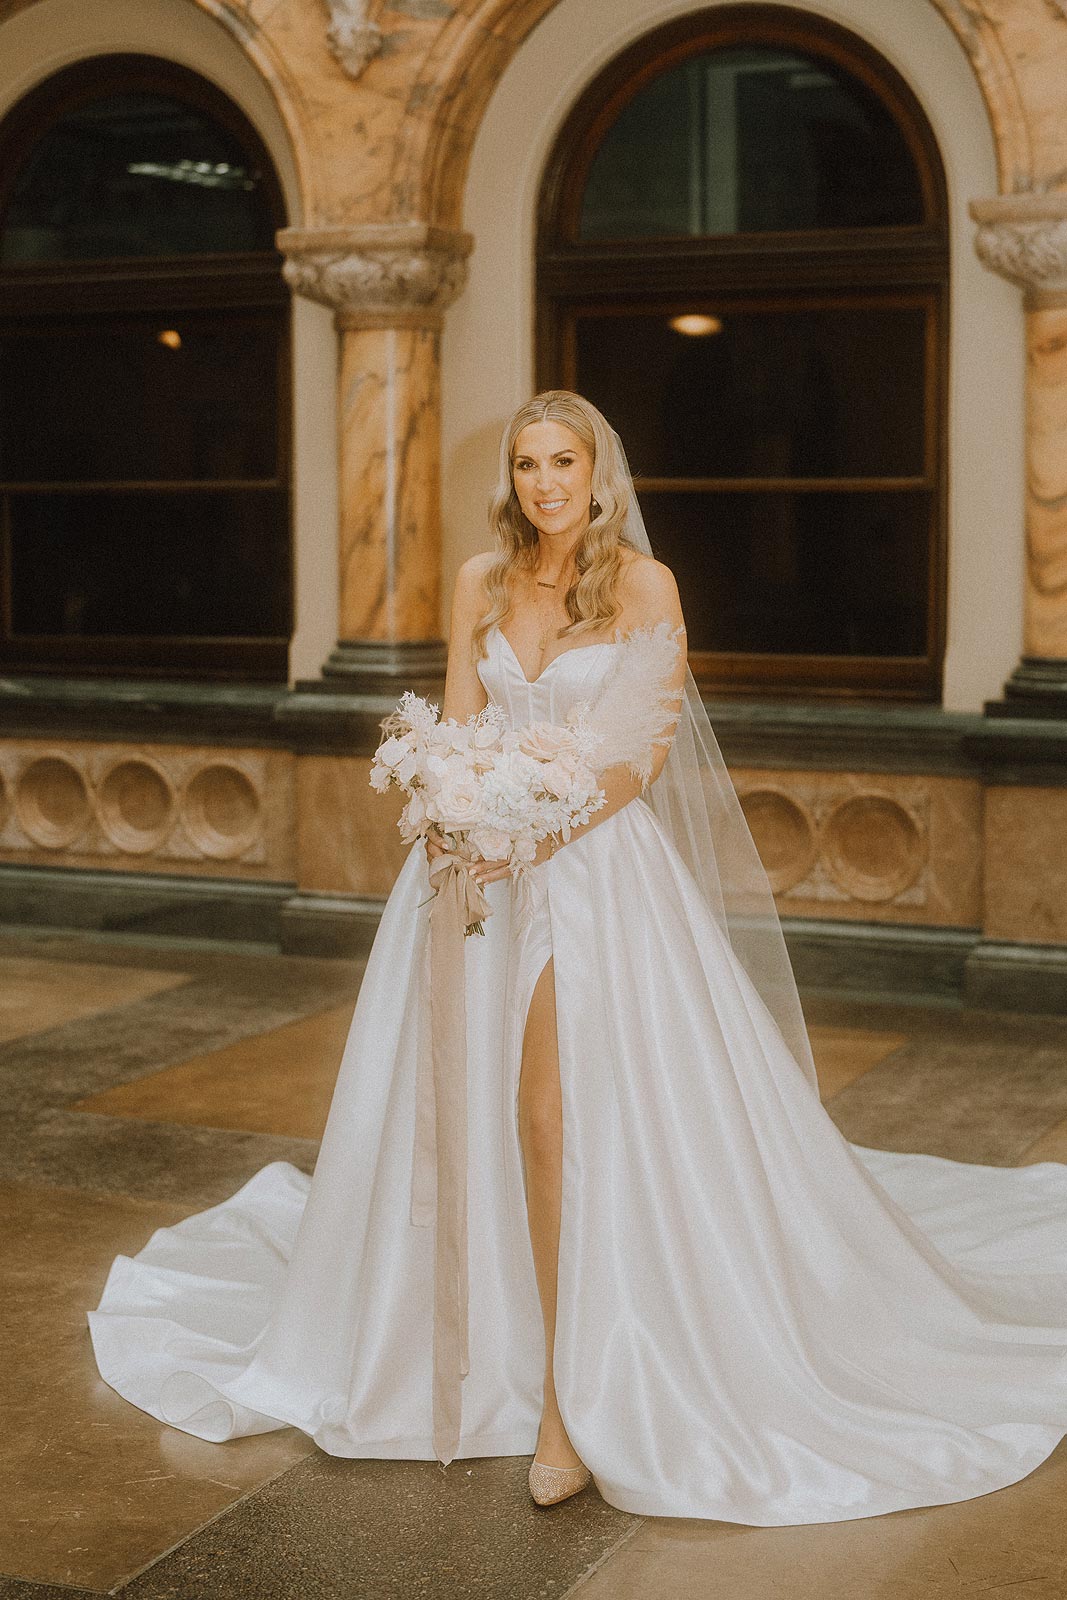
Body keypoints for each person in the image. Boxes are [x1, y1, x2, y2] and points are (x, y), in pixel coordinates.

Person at [91, 392, 1067, 1524]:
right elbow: (454, 732)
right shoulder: (477, 581)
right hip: (472, 875)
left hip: (592, 871)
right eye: (526, 463)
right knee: (457, 1109)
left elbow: (645, 755)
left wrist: (541, 829)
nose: (545, 481)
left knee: (545, 1113)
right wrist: (451, 806)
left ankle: (569, 1396)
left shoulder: (642, 586)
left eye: (564, 461)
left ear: (600, 473)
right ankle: (471, 1343)